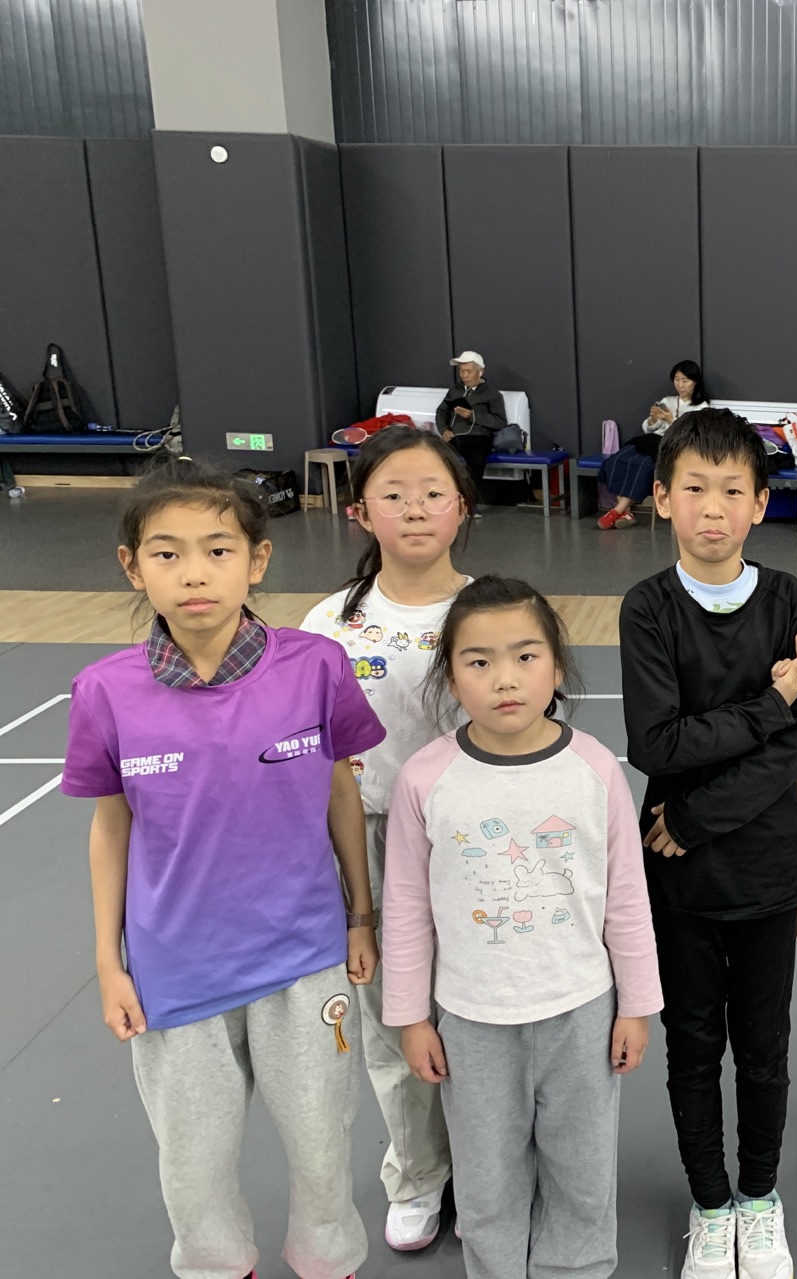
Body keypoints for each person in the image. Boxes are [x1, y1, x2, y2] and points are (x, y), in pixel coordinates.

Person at [62, 458, 386, 1279]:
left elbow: (341, 792)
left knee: (322, 1140)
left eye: (217, 549)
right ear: (132, 566)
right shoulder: (104, 692)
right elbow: (110, 828)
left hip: (304, 956)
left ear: (256, 559)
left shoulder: (316, 665)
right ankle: (216, 1264)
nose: (195, 572)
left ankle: (327, 1258)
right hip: (176, 972)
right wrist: (108, 962)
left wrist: (361, 913)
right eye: (166, 553)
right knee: (192, 1158)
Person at [382, 575, 662, 1279]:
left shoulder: (593, 769)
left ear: (557, 667)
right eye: (479, 661)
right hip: (471, 1021)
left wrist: (637, 1004)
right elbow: (407, 909)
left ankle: (579, 1267)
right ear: (451, 676)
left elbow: (626, 897)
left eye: (525, 656)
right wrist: (410, 1018)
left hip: (581, 1013)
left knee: (582, 1171)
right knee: (486, 1180)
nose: (504, 679)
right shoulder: (425, 778)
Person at [619, 409, 797, 1279]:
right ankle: (710, 1203)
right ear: (663, 497)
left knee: (765, 1050)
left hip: (761, 869)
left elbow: (796, 743)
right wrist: (768, 705)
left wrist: (699, 815)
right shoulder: (648, 608)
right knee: (694, 1047)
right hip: (681, 882)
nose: (713, 507)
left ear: (761, 504)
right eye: (694, 487)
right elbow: (657, 744)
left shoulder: (786, 600)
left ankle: (759, 1196)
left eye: (732, 490)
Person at [298, 428, 479, 1251]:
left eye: (433, 493)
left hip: (467, 838)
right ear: (360, 510)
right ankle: (417, 1171)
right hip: (366, 837)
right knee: (389, 1016)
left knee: (477, 1012)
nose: (414, 508)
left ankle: (487, 1168)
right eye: (394, 494)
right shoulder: (329, 623)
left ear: (461, 508)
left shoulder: (489, 607)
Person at [598, 359, 712, 530]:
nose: (680, 385)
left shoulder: (701, 407)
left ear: (695, 382)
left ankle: (616, 511)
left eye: (685, 380)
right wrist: (653, 419)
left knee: (643, 465)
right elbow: (648, 428)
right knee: (618, 459)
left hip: (675, 446)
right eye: (677, 380)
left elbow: (692, 437)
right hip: (652, 440)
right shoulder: (668, 400)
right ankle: (626, 512)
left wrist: (671, 420)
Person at [437, 350, 508, 491]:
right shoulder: (455, 390)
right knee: (435, 455)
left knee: (475, 459)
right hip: (455, 437)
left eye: (468, 371)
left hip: (478, 438)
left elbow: (500, 422)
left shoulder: (492, 394)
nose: (464, 375)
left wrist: (472, 416)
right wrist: (444, 430)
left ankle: (471, 496)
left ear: (480, 371)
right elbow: (441, 411)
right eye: (461, 371)